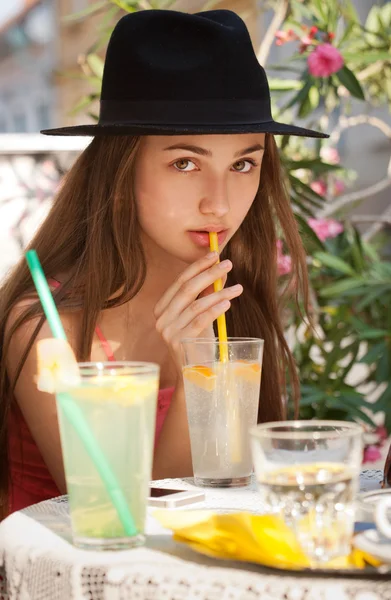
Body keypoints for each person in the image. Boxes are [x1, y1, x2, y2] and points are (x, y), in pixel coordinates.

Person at [0, 8, 328, 518]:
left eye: (243, 163)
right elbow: (127, 519)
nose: (218, 202)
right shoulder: (46, 330)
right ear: (120, 168)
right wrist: (190, 366)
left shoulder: (230, 307)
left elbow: (227, 498)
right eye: (185, 163)